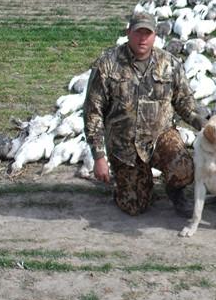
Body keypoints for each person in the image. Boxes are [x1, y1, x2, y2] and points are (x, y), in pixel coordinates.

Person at [83, 11, 208, 217]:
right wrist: (98, 157)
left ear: (155, 35)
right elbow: (93, 112)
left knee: (184, 168)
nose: (143, 39)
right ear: (128, 33)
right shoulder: (107, 64)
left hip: (160, 136)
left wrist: (206, 125)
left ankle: (175, 191)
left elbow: (185, 103)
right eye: (138, 33)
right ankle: (135, 183)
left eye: (147, 33)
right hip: (125, 144)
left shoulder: (169, 63)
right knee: (135, 207)